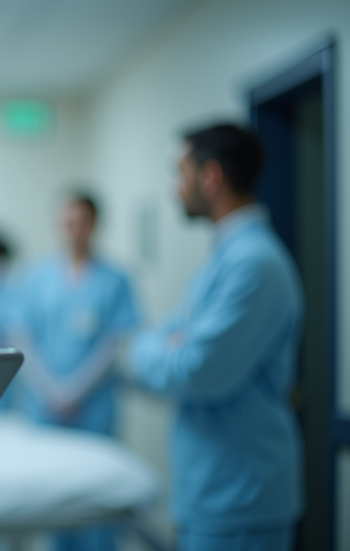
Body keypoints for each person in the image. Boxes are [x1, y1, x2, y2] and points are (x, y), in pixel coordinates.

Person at [128, 123, 303, 551]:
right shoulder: (224, 259)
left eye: (181, 173)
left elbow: (194, 370)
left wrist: (152, 350)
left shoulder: (254, 265)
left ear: (211, 177)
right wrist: (160, 346)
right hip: (214, 491)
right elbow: (162, 340)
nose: (175, 189)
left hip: (239, 497)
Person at [7, 193, 138, 551]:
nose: (74, 230)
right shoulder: (37, 277)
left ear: (95, 225)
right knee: (56, 506)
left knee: (98, 506)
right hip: (45, 407)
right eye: (68, 222)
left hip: (93, 409)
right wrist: (51, 389)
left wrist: (75, 390)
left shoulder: (116, 279)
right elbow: (23, 338)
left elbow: (115, 343)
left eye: (81, 222)